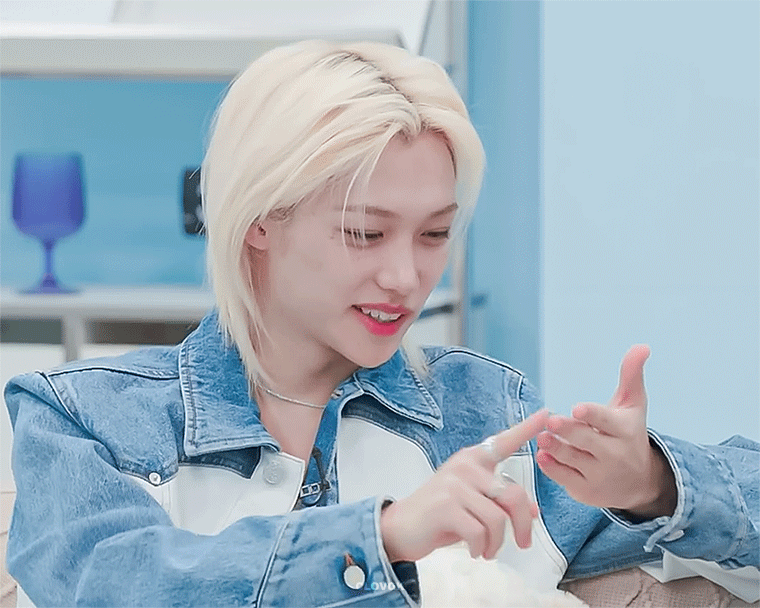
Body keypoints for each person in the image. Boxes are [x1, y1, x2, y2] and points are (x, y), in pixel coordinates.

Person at [5, 40, 758, 608]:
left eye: (435, 234)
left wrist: (655, 481)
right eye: (365, 233)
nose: (405, 277)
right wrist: (383, 537)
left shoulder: (485, 414)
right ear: (259, 219)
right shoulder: (84, 418)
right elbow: (110, 583)